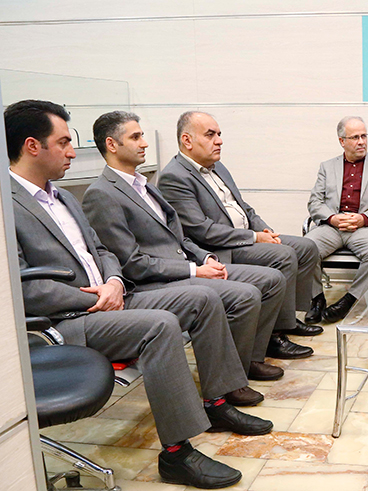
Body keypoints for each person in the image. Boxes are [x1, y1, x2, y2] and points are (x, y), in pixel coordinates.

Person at [5, 99, 272, 489]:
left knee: (203, 298)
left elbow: (103, 251)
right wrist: (95, 298)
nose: (72, 152)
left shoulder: (62, 197)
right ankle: (177, 454)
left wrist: (114, 282)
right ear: (33, 146)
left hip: (114, 298)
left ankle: (216, 402)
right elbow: (24, 286)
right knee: (160, 326)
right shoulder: (8, 207)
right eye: (63, 142)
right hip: (70, 320)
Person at [83, 111, 292, 386]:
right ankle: (229, 382)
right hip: (154, 282)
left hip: (186, 265)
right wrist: (195, 270)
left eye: (142, 135)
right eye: (135, 137)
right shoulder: (101, 194)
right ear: (112, 145)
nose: (145, 143)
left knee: (271, 279)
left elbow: (180, 238)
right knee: (245, 294)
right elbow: (132, 264)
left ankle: (247, 362)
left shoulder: (145, 185)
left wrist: (206, 258)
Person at [157, 111, 321, 361]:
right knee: (284, 255)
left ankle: (286, 319)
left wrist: (264, 230)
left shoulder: (217, 166)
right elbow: (202, 230)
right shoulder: (174, 177)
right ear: (187, 140)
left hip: (245, 236)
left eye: (219, 134)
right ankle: (274, 337)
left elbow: (243, 207)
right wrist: (254, 237)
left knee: (307, 247)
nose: (219, 140)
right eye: (210, 135)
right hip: (220, 248)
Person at [306, 116, 368, 322]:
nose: (362, 142)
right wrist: (332, 218)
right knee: (305, 248)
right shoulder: (327, 167)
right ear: (342, 141)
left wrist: (363, 218)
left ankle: (349, 300)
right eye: (355, 137)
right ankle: (317, 299)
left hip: (365, 228)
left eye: (364, 136)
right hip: (332, 227)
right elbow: (314, 201)